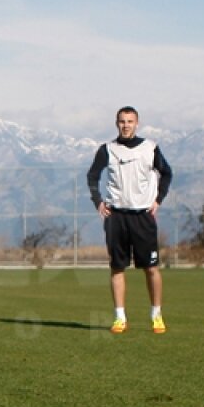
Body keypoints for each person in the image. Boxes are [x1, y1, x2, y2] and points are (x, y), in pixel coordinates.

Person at [86, 106, 173, 334]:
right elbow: (92, 175)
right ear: (117, 124)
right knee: (117, 268)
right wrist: (98, 201)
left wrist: (158, 200)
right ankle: (120, 318)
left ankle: (156, 315)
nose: (126, 125)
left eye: (130, 121)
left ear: (137, 124)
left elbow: (167, 173)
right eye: (122, 121)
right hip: (117, 217)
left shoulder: (150, 148)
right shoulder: (107, 150)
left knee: (151, 268)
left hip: (143, 216)